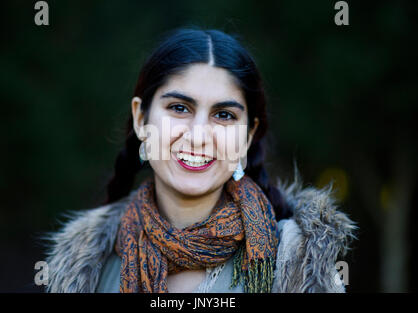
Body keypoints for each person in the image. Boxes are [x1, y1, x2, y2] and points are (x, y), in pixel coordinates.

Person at [43, 27, 356, 293]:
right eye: (179, 108)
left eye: (223, 115)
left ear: (248, 136)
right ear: (141, 118)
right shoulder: (87, 265)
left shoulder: (297, 267)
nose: (198, 136)